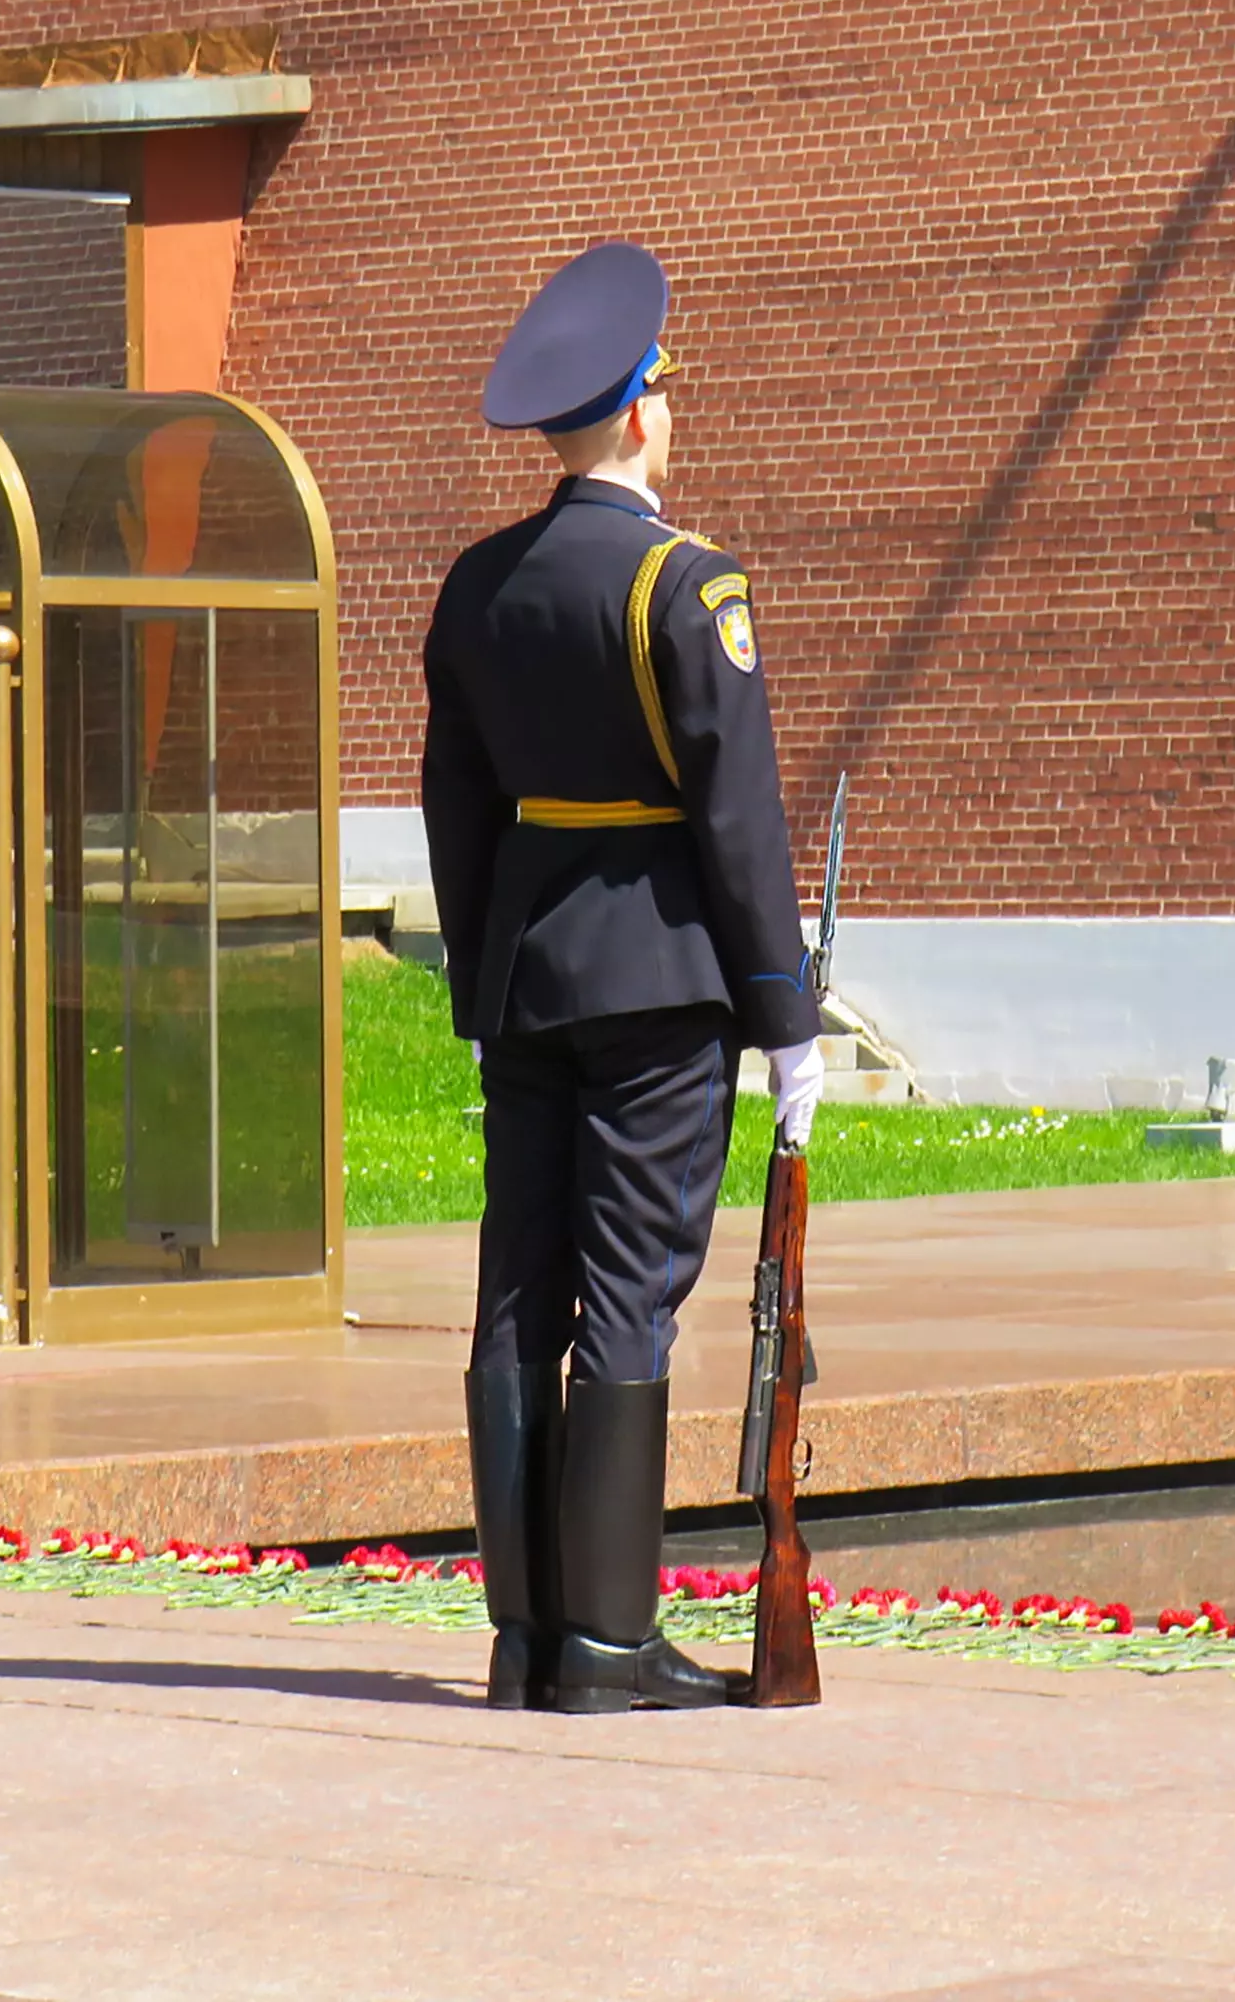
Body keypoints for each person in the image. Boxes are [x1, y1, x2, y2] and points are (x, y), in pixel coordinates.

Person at [421, 240, 824, 1714]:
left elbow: (455, 810)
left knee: (519, 1290)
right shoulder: (682, 582)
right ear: (642, 412)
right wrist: (786, 1017)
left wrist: (484, 981)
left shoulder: (479, 588)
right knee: (634, 1292)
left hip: (528, 974)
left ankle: (526, 1635)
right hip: (658, 979)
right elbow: (734, 817)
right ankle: (605, 1641)